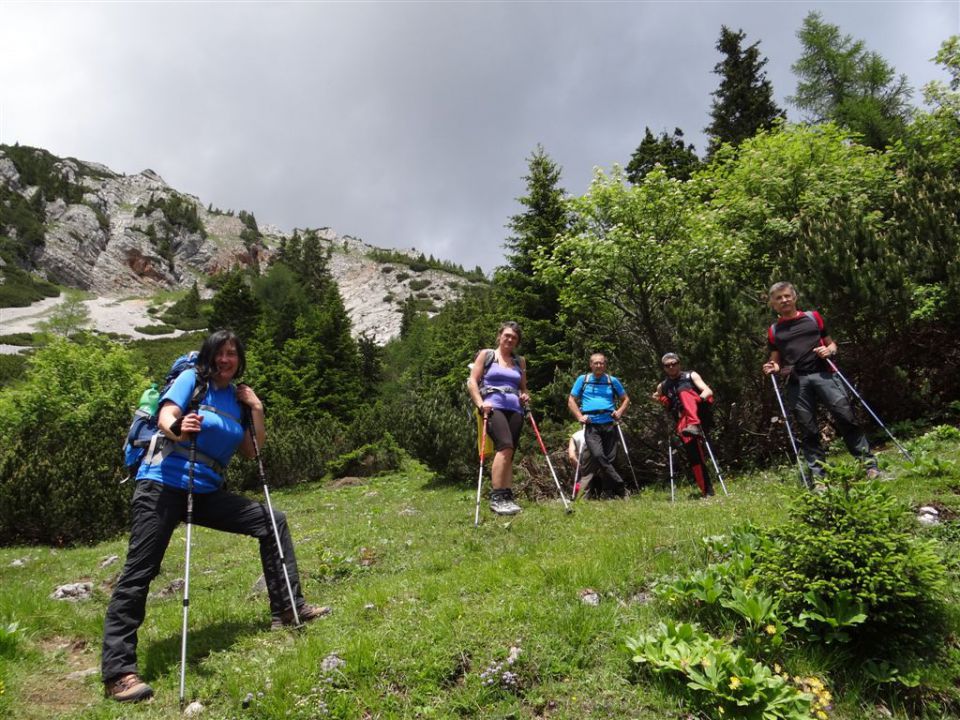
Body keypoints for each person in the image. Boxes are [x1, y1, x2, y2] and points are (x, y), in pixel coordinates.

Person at [102, 330, 326, 703]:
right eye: (220, 353)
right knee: (140, 570)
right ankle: (118, 672)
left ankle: (288, 607)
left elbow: (251, 452)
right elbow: (167, 415)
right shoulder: (194, 380)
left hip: (204, 491)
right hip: (163, 483)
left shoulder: (236, 398)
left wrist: (256, 408)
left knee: (272, 520)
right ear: (210, 356)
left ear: (240, 360)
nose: (226, 360)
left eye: (232, 354)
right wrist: (178, 427)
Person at [762, 281, 879, 481]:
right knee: (808, 429)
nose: (784, 300)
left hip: (825, 375)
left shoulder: (813, 317)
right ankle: (819, 477)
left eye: (787, 296)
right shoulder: (774, 330)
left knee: (846, 417)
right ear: (772, 304)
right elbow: (776, 358)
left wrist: (829, 350)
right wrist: (772, 366)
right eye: (779, 298)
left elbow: (831, 344)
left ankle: (869, 465)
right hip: (797, 381)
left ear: (795, 297)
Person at [467, 321, 529, 515]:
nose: (510, 339)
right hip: (492, 407)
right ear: (500, 336)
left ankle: (507, 496)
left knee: (509, 452)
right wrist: (480, 403)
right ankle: (497, 497)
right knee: (505, 446)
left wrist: (525, 395)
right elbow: (472, 381)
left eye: (514, 337)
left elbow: (523, 387)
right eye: (507, 335)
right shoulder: (487, 355)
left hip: (516, 409)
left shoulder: (520, 361)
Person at [567, 353, 630, 498]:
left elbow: (626, 399)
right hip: (591, 424)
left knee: (611, 458)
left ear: (605, 365)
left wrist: (619, 412)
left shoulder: (611, 380)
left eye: (601, 363)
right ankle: (620, 486)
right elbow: (571, 400)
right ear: (590, 365)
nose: (598, 365)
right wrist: (579, 416)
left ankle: (608, 493)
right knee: (598, 455)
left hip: (609, 422)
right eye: (595, 363)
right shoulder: (583, 380)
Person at [653, 352, 715, 497]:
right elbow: (658, 396)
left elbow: (708, 390)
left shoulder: (690, 375)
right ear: (664, 368)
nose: (671, 367)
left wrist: (698, 399)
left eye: (674, 363)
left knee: (683, 392)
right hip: (683, 420)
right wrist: (659, 398)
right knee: (694, 455)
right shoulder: (663, 385)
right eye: (668, 365)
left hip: (699, 411)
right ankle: (707, 490)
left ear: (679, 364)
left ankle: (694, 424)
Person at [567, 426, 597, 499]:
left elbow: (571, 456)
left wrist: (579, 467)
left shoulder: (575, 435)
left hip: (584, 457)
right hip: (600, 456)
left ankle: (582, 499)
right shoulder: (598, 433)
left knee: (585, 479)